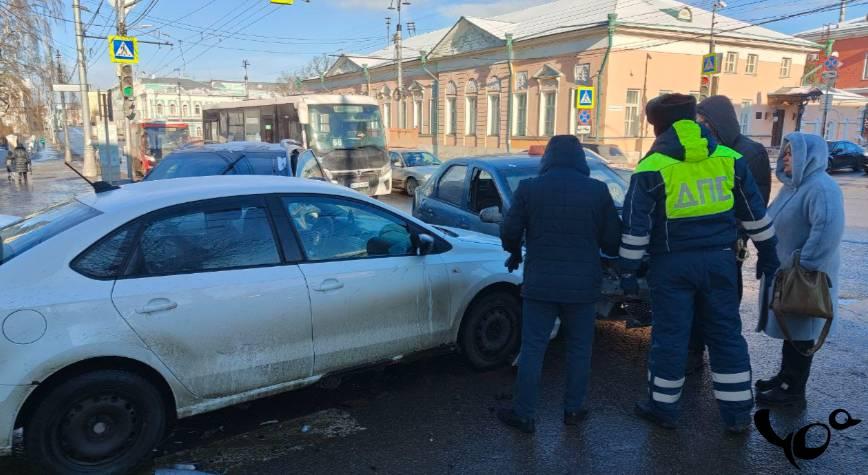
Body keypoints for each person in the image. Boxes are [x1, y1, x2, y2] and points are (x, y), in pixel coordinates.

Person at [619, 93, 779, 433]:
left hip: (671, 268)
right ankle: (737, 417)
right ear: (694, 120)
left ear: (658, 126)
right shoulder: (728, 159)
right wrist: (769, 252)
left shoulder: (651, 167)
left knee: (670, 337)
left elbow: (636, 230)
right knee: (726, 336)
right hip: (720, 262)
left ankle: (662, 409)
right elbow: (754, 214)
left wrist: (628, 271)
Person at [498, 135, 621, 433]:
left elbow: (509, 232)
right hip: (583, 286)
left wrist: (515, 251)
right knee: (580, 349)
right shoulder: (598, 190)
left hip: (540, 284)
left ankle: (524, 414)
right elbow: (612, 240)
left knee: (533, 348)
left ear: (548, 158)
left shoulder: (529, 188)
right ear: (580, 159)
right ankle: (574, 410)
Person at [755, 133, 844, 409]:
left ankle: (793, 391)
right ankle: (785, 377)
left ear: (810, 156)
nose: (785, 158)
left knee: (802, 332)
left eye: (791, 153)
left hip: (805, 279)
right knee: (792, 329)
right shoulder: (793, 187)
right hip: (788, 275)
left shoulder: (821, 188)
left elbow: (826, 231)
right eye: (785, 152)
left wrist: (804, 264)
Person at [685, 96, 774, 373]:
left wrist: (755, 243)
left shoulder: (750, 153)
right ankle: (695, 351)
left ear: (718, 122)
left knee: (722, 309)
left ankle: (722, 360)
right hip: (703, 243)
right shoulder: (705, 150)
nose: (701, 126)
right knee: (696, 303)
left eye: (704, 121)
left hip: (729, 244)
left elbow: (755, 203)